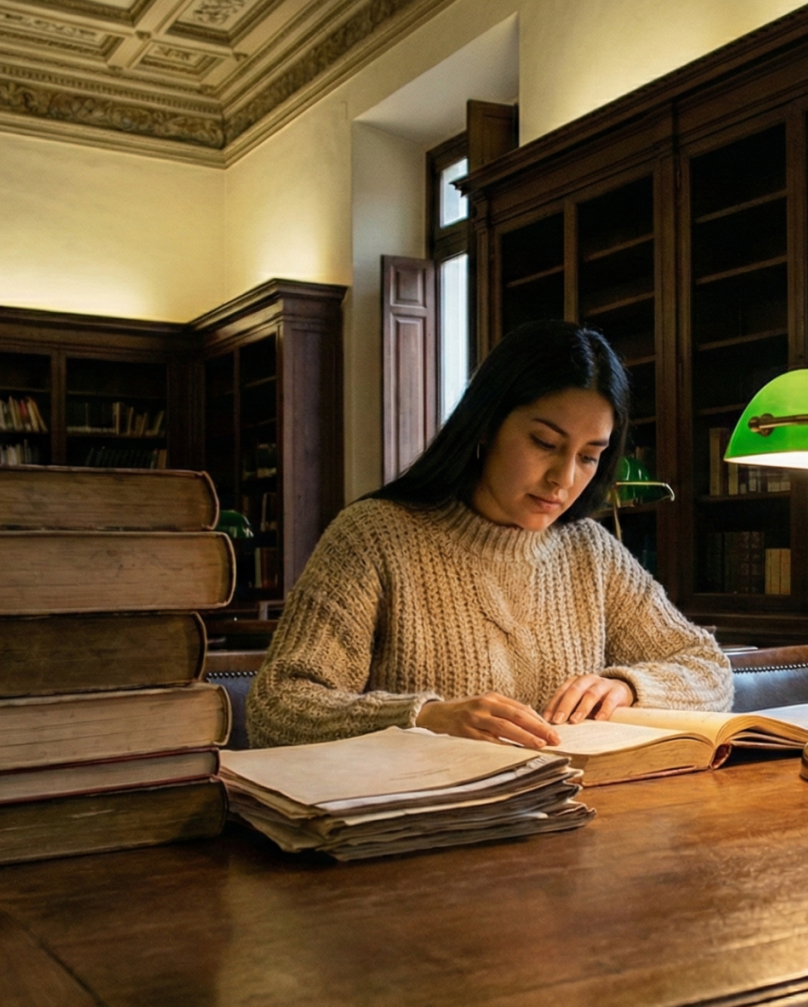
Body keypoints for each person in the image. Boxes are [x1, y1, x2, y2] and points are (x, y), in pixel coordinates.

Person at [245, 320, 732, 749]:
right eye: (544, 443)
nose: (563, 479)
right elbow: (277, 709)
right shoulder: (375, 537)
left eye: (589, 456)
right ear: (485, 425)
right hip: (422, 833)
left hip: (570, 823)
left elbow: (708, 667)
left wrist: (629, 686)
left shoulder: (590, 550)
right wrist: (426, 718)